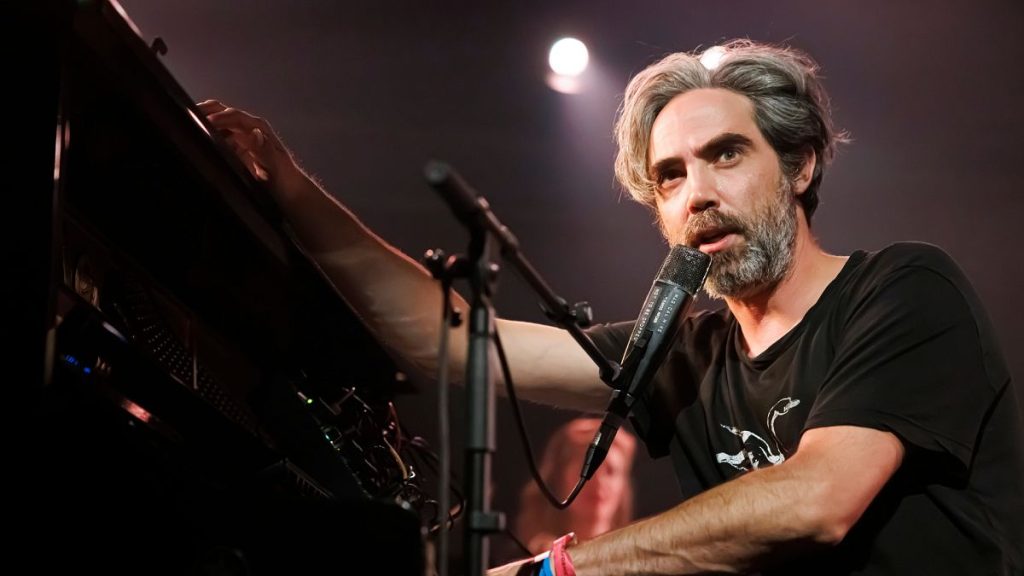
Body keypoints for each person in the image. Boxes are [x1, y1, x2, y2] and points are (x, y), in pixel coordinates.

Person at [199, 38, 1023, 575]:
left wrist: (553, 569)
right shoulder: (686, 349)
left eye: (726, 155)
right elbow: (450, 345)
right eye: (670, 176)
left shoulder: (905, 289)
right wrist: (292, 190)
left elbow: (816, 501)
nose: (696, 194)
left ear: (801, 165)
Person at [512, 418, 637, 556]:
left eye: (610, 471)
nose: (599, 481)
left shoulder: (636, 558)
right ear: (559, 478)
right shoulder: (526, 558)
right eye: (587, 468)